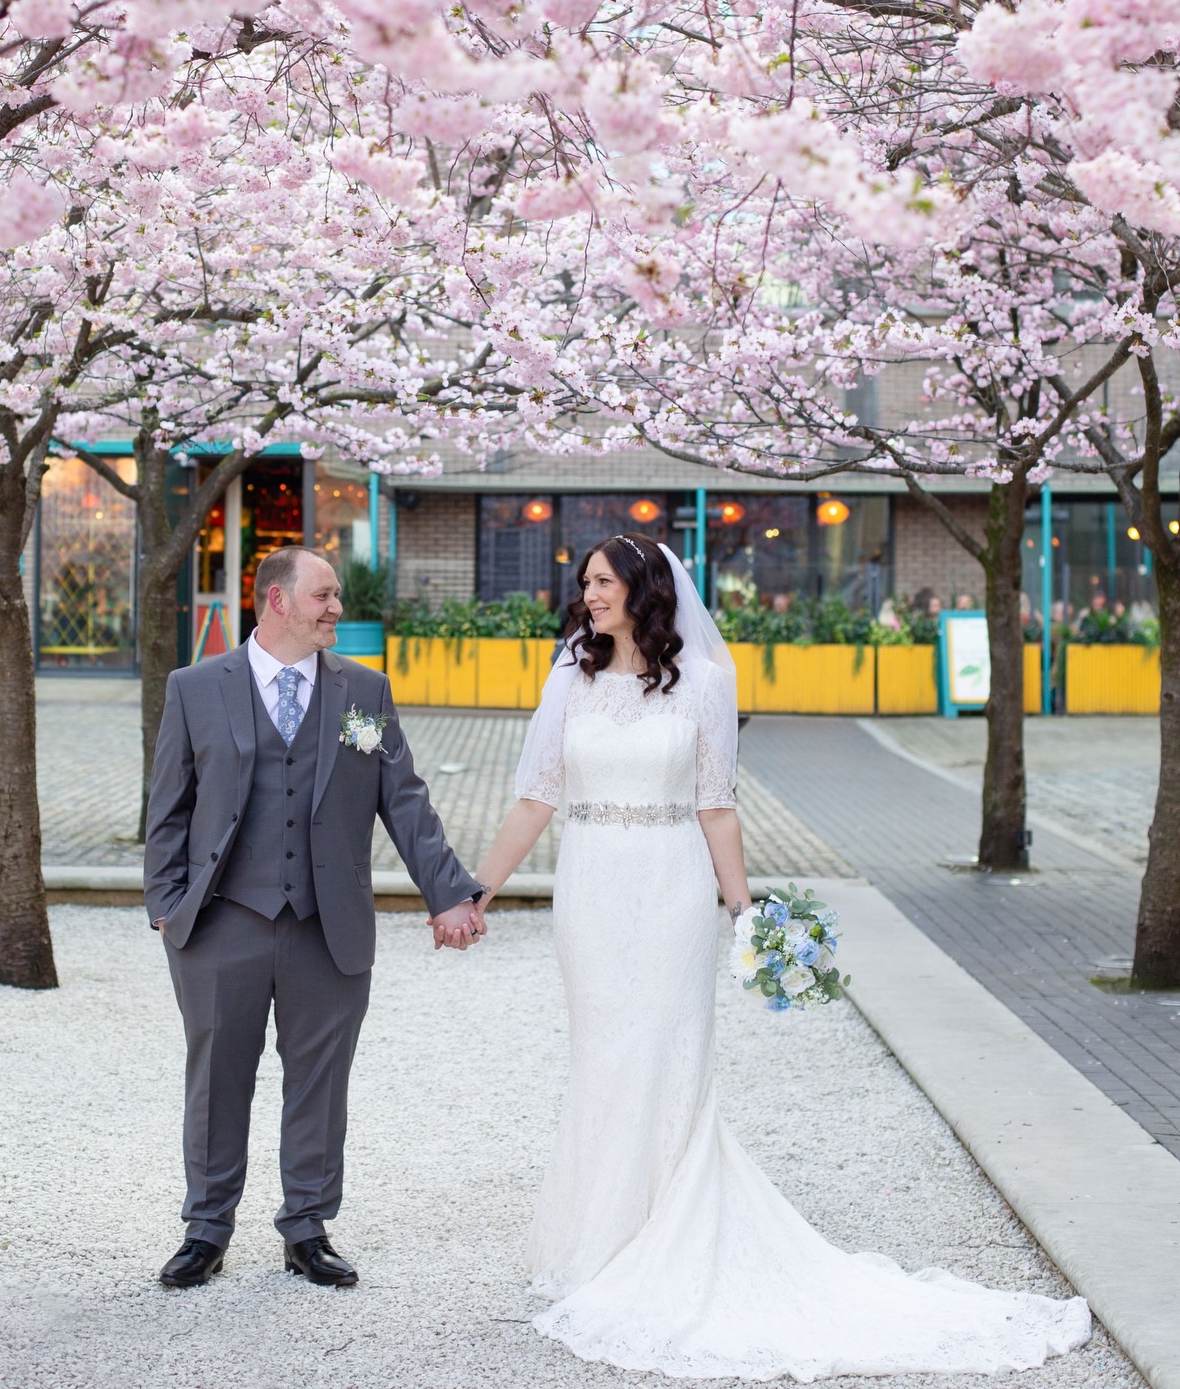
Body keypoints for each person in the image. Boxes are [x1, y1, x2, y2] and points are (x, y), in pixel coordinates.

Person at [457, 533, 1090, 1379]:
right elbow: (536, 796)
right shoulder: (569, 675)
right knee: (602, 1053)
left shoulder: (707, 685)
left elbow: (716, 807)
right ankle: (596, 1234)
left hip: (672, 888)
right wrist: (481, 891)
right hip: (591, 888)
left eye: (604, 582)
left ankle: (664, 1231)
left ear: (645, 590)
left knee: (662, 1053)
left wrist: (745, 910)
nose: (590, 595)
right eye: (587, 584)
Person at [143, 546, 485, 1292]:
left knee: (320, 1084)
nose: (336, 608)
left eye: (336, 597)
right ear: (276, 601)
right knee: (216, 1080)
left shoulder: (364, 690)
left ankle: (307, 1228)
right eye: (324, 596)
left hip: (327, 927)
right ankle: (206, 1229)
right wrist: (168, 909)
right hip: (220, 924)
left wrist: (449, 893)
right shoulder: (196, 688)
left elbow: (405, 801)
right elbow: (167, 810)